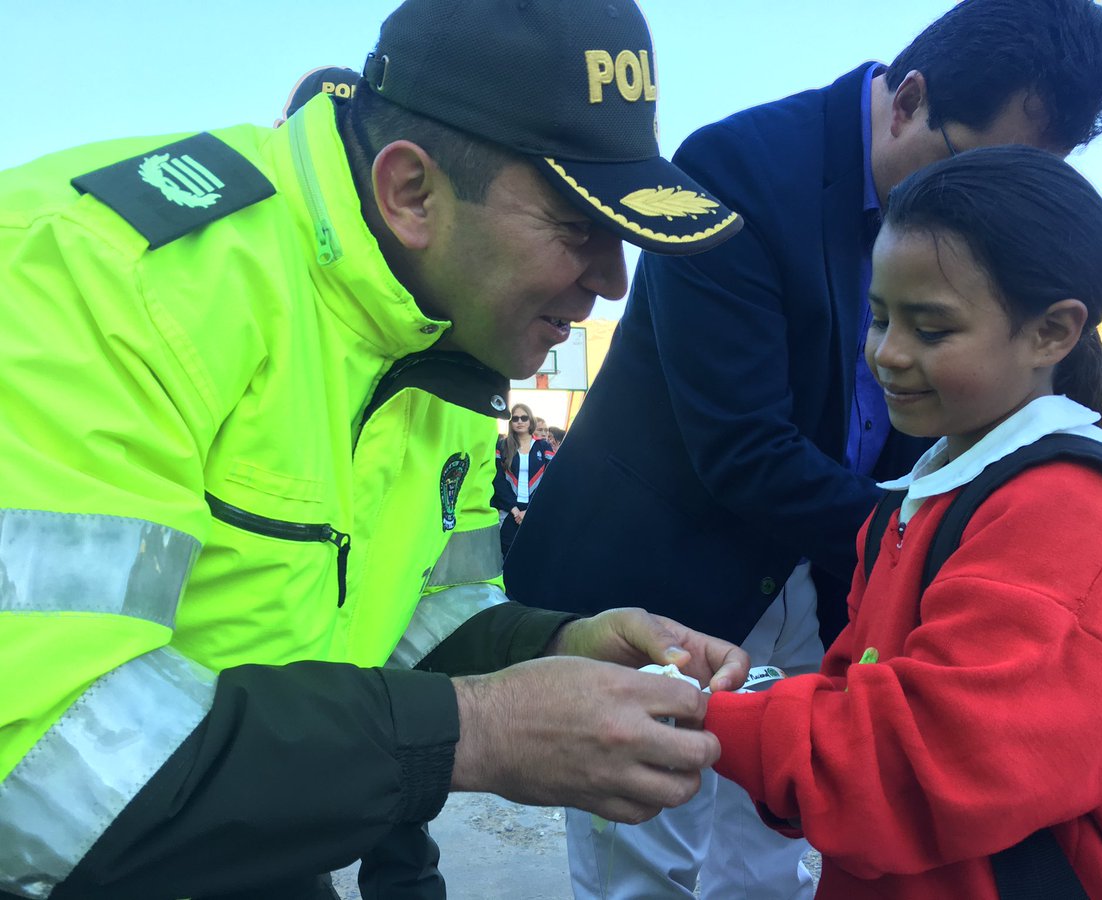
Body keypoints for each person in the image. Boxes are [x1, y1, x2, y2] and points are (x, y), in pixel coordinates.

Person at [0, 2, 752, 899]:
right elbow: (42, 777)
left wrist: (557, 647)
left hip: (245, 842)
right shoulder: (100, 278)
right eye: (573, 225)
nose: (612, 282)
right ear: (410, 193)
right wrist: (482, 730)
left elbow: (417, 627)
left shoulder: (445, 335)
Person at [502, 0, 1102, 896]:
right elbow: (744, 448)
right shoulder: (734, 172)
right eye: (977, 167)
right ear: (908, 101)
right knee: (649, 855)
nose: (990, 214)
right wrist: (927, 538)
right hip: (669, 578)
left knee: (774, 845)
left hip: (824, 574)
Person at [704, 146, 1102, 899]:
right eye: (877, 317)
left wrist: (712, 722)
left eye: (931, 329)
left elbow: (921, 765)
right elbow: (852, 692)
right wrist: (755, 702)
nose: (887, 354)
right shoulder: (918, 498)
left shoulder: (1071, 519)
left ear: (1052, 334)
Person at [493, 403, 554, 556]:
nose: (519, 421)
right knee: (505, 554)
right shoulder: (502, 446)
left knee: (533, 554)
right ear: (511, 422)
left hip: (534, 508)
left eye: (524, 418)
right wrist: (514, 509)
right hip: (509, 510)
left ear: (530, 421)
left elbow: (550, 480)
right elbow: (497, 479)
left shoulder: (543, 446)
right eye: (515, 418)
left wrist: (529, 510)